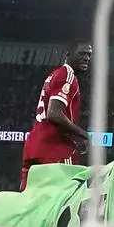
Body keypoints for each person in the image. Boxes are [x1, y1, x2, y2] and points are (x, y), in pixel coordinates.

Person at [21, 42, 92, 190]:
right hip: (55, 148)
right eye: (82, 54)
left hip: (35, 145)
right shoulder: (67, 75)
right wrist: (82, 134)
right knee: (65, 198)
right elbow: (54, 113)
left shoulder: (55, 74)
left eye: (89, 55)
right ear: (68, 54)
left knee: (29, 200)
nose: (86, 58)